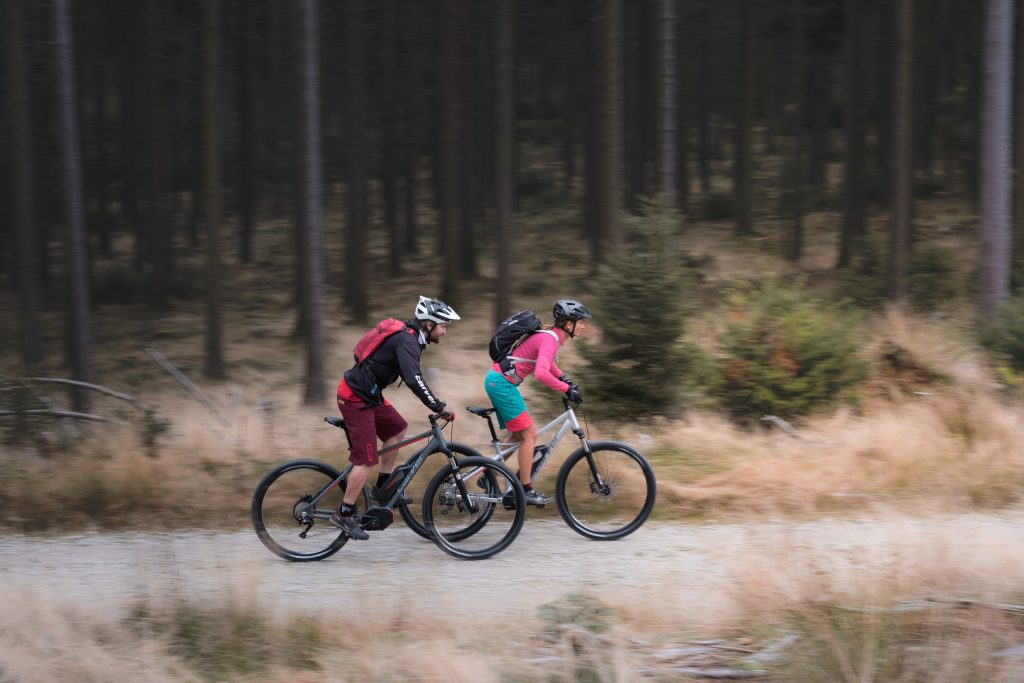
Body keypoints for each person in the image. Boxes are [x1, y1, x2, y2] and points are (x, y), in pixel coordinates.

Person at [329, 295, 459, 539]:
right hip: (355, 398)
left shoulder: (410, 338)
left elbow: (413, 377)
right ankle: (344, 514)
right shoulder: (407, 342)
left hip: (369, 395)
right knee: (366, 460)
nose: (445, 332)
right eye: (443, 326)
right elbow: (414, 379)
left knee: (397, 428)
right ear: (429, 324)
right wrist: (438, 406)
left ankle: (383, 487)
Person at [484, 299, 591, 505]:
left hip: (499, 382)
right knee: (529, 435)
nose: (584, 326)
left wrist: (564, 379)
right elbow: (541, 374)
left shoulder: (550, 337)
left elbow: (547, 363)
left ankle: (486, 474)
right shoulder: (550, 338)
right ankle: (525, 489)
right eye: (581, 322)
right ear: (569, 325)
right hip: (501, 384)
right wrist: (566, 389)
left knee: (518, 435)